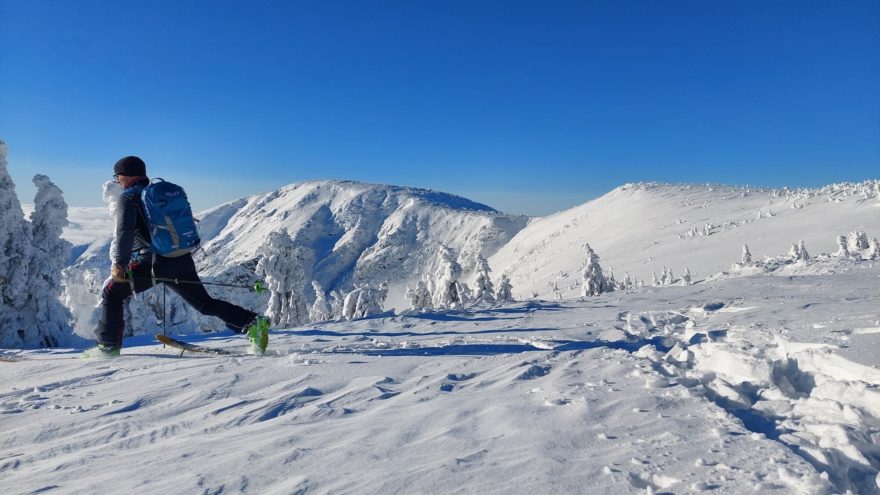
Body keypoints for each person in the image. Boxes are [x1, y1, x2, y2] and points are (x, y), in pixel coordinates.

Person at [86, 156, 270, 357]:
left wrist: (119, 264)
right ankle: (252, 322)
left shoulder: (129, 198)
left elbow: (124, 233)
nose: (117, 181)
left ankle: (108, 348)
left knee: (112, 293)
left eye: (117, 177)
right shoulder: (159, 195)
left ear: (126, 176)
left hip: (152, 263)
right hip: (181, 258)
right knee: (205, 304)